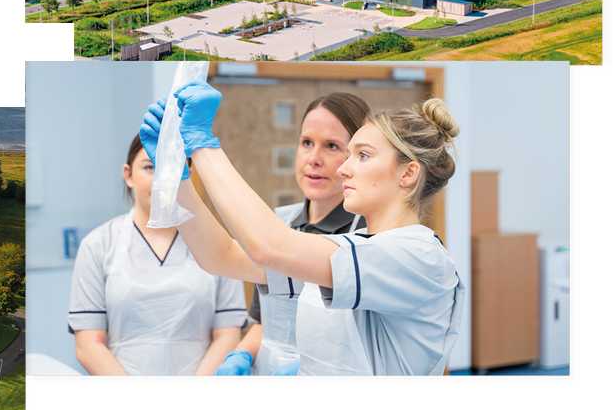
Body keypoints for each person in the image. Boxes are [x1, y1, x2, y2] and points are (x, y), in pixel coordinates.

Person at [142, 83, 465, 376]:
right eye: (348, 154)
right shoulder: (352, 247)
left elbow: (267, 247)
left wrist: (202, 143)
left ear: (408, 174)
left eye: (362, 155)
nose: (343, 168)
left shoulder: (415, 256)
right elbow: (221, 256)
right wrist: (175, 175)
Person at [212, 93, 368, 377]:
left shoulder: (365, 235)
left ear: (356, 158)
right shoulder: (275, 224)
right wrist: (242, 354)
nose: (313, 159)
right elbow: (263, 321)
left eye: (332, 146)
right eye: (306, 143)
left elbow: (369, 341)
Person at [68, 134, 246, 376]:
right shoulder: (97, 245)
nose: (161, 179)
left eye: (172, 167)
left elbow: (227, 335)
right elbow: (89, 345)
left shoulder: (219, 245)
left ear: (188, 174)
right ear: (128, 174)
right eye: (150, 167)